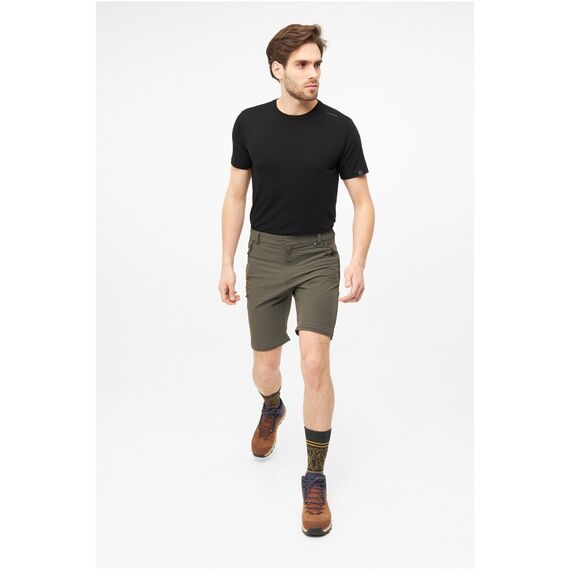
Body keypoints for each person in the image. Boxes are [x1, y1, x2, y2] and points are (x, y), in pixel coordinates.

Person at [219, 23, 375, 537]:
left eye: (318, 64)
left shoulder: (339, 128)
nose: (314, 74)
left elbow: (363, 203)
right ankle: (272, 406)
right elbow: (236, 195)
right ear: (277, 69)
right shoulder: (249, 124)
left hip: (317, 256)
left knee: (314, 362)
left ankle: (314, 477)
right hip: (264, 255)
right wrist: (227, 261)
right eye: (303, 65)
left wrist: (358, 260)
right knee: (265, 368)